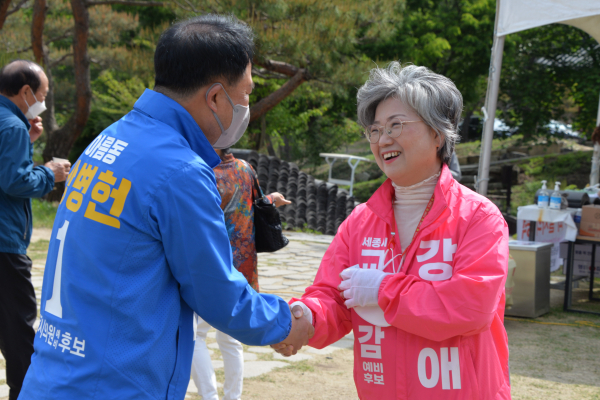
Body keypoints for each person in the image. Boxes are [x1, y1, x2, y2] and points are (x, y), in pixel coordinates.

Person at [19, 15, 312, 400]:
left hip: (57, 375)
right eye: (245, 94)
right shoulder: (179, 170)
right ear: (215, 98)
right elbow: (217, 294)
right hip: (113, 387)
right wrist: (286, 322)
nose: (246, 106)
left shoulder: (110, 140)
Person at [274, 62, 510, 399]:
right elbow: (333, 297)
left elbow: (471, 307)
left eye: (396, 125)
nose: (383, 139)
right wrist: (304, 317)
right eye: (375, 130)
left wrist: (383, 290)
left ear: (438, 133)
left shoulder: (478, 218)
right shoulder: (360, 221)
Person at [192, 148, 290, 400]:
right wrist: (272, 198)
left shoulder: (200, 171)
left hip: (210, 265)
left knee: (196, 334)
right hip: (242, 266)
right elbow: (258, 203)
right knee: (231, 338)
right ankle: (232, 397)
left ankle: (209, 396)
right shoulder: (245, 169)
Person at [0, 60, 70, 400]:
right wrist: (49, 172)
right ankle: (25, 393)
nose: (42, 102)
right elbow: (14, 181)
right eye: (42, 95)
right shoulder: (12, 125)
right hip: (5, 243)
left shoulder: (11, 125)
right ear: (26, 91)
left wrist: (27, 140)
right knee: (20, 329)